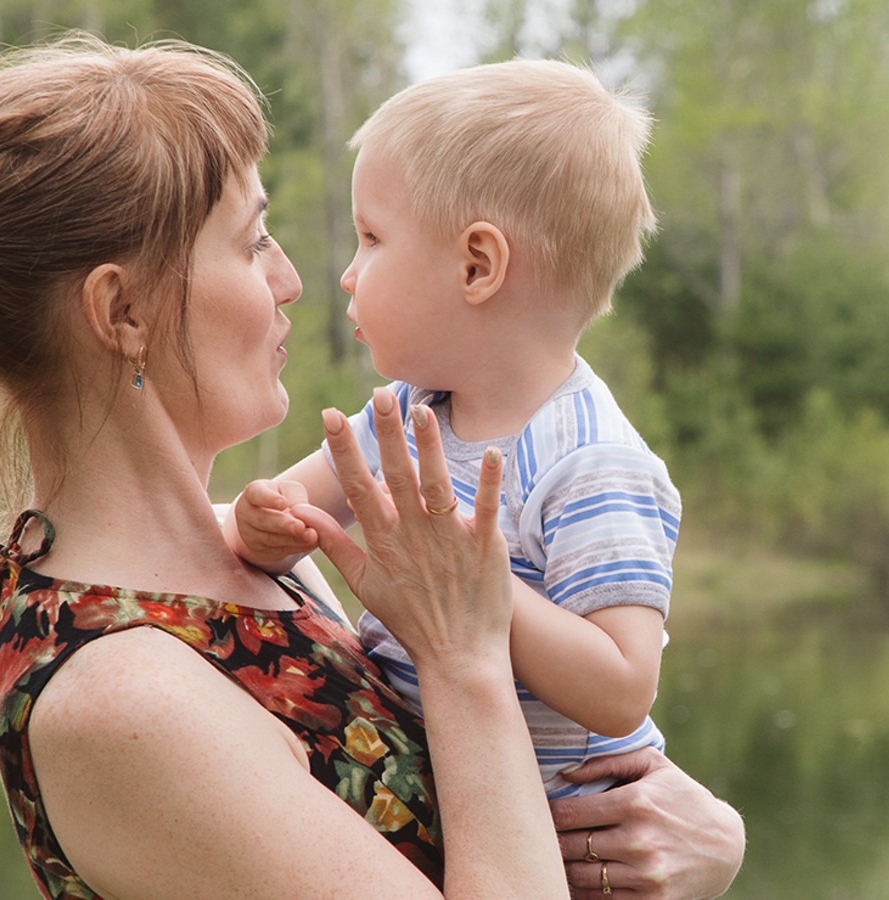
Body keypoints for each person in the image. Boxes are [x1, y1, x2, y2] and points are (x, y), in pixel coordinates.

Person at [0, 34, 743, 899]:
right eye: (252, 240)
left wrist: (698, 842)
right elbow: (468, 698)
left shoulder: (253, 569)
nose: (294, 281)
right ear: (123, 315)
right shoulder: (122, 699)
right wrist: (463, 657)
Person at [224, 60, 677, 799]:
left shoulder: (589, 462)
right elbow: (283, 508)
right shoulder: (410, 411)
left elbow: (622, 687)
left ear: (476, 266)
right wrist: (263, 520)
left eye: (371, 239)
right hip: (435, 796)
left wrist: (473, 583)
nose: (345, 273)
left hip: (561, 841)